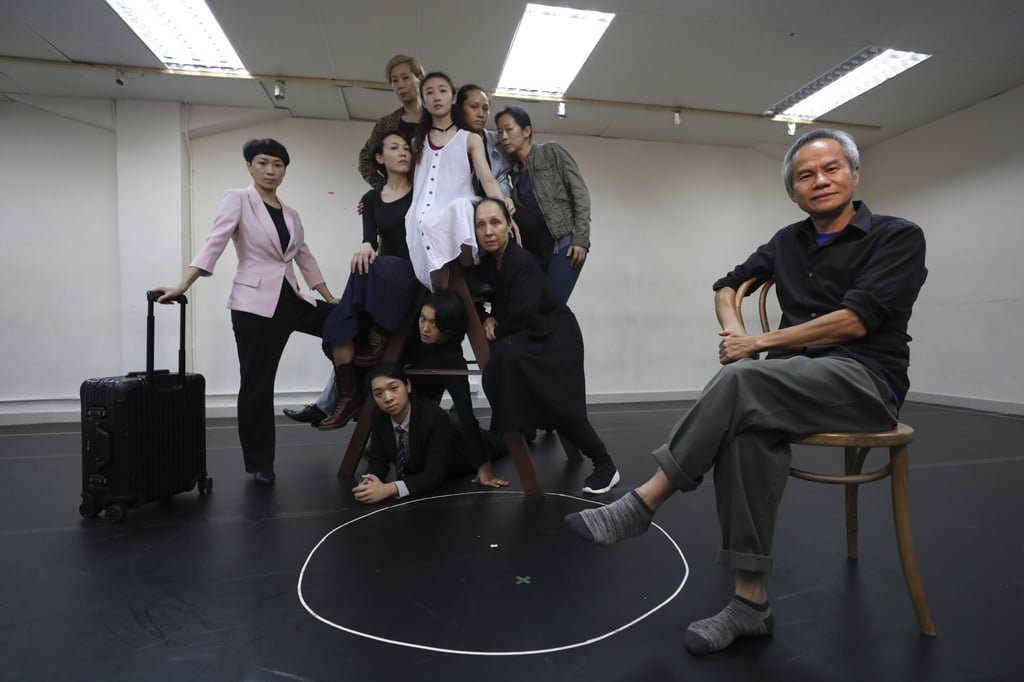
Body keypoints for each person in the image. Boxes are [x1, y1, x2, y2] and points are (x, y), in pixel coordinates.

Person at [563, 129, 928, 655]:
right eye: (806, 175)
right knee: (744, 433)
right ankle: (750, 604)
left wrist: (757, 343)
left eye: (830, 169)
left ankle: (644, 502)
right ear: (793, 191)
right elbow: (726, 285)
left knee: (741, 380)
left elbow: (854, 322)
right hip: (786, 383)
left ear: (853, 174)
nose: (819, 181)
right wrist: (735, 331)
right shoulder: (787, 241)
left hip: (864, 381)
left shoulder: (897, 235)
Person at [155, 139, 338, 485]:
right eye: (263, 163)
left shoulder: (291, 214)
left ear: (285, 170)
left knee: (346, 327)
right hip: (253, 307)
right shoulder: (238, 199)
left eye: (278, 165)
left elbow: (305, 258)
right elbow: (216, 242)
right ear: (249, 166)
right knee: (257, 385)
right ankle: (260, 463)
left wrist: (329, 299)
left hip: (291, 300)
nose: (270, 171)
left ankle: (333, 402)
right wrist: (184, 284)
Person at [473, 198, 620, 495]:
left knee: (561, 404)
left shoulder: (520, 262)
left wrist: (495, 325)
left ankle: (606, 465)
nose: (488, 230)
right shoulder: (490, 262)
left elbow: (521, 313)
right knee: (504, 361)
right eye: (481, 225)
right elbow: (497, 305)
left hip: (555, 338)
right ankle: (521, 426)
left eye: (495, 222)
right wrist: (488, 318)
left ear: (508, 227)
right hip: (530, 335)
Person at [314, 130, 421, 431]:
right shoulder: (371, 199)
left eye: (406, 149)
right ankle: (348, 397)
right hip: (383, 273)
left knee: (376, 265)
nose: (403, 153)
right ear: (379, 158)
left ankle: (378, 331)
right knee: (340, 320)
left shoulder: (422, 191)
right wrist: (364, 245)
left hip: (412, 272)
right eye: (394, 148)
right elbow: (368, 239)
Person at [405, 71, 512, 292]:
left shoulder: (469, 138)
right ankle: (445, 295)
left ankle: (467, 274)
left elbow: (489, 180)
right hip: (425, 216)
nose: (436, 97)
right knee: (421, 220)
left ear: (453, 98)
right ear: (423, 102)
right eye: (429, 93)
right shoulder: (418, 142)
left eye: (442, 91)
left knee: (461, 206)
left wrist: (506, 215)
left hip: (461, 210)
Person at [352, 363, 508, 504]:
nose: (388, 398)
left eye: (394, 388)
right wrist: (370, 482)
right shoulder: (379, 415)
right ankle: (455, 414)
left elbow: (434, 475)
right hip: (446, 430)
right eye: (379, 394)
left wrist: (389, 489)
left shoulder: (433, 418)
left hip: (464, 449)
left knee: (506, 441)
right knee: (453, 420)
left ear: (408, 386)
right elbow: (378, 459)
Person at [408, 291, 507, 487]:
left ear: (449, 328)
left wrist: (484, 467)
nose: (425, 328)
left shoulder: (451, 360)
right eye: (423, 319)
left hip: (457, 426)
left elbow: (467, 417)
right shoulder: (409, 338)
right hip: (427, 418)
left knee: (497, 442)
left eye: (434, 324)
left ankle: (525, 432)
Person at [494, 106, 591, 303]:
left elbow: (580, 192)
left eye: (508, 129)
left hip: (565, 243)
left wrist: (580, 238)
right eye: (499, 132)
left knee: (552, 307)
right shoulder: (514, 174)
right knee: (536, 306)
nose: (504, 136)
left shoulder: (551, 151)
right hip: (540, 250)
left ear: (527, 131)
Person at [357, 55, 425, 189]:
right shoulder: (386, 124)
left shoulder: (439, 119)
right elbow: (365, 161)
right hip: (402, 201)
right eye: (395, 81)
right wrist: (386, 189)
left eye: (405, 78)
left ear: (420, 79)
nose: (400, 85)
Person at [452, 84, 513, 199]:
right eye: (474, 107)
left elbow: (502, 178)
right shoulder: (450, 141)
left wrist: (505, 199)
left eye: (485, 108)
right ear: (460, 108)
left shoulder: (499, 141)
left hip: (494, 207)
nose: (481, 114)